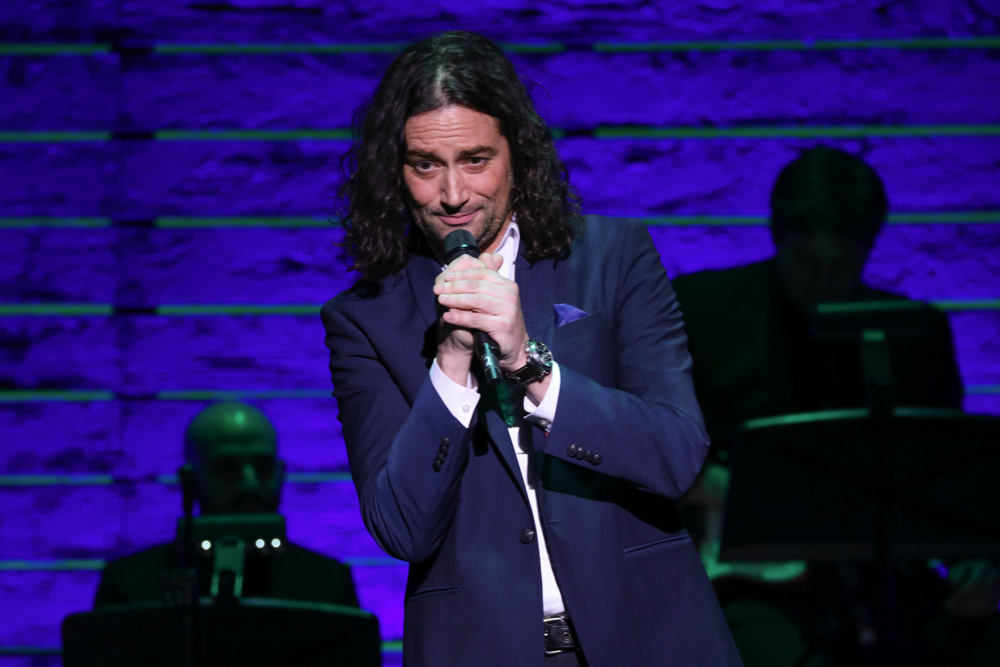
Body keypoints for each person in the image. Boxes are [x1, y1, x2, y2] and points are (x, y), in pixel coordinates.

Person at [321, 31, 741, 666]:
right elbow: (402, 527)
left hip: (650, 635)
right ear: (394, 171)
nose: (454, 195)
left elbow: (677, 455)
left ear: (517, 152)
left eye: (475, 159)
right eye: (426, 165)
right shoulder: (365, 319)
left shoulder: (612, 258)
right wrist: (452, 364)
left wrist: (530, 364)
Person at [674, 146, 1000, 666]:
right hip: (748, 579)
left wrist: (977, 563)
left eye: (842, 263)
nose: (823, 280)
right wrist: (707, 483)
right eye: (807, 261)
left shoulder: (915, 331)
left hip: (883, 575)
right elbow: (643, 439)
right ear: (779, 237)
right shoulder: (704, 310)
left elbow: (950, 483)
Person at [94, 401, 358, 608]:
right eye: (228, 468)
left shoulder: (327, 583)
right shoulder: (130, 583)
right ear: (189, 480)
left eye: (263, 467)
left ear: (280, 473)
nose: (250, 484)